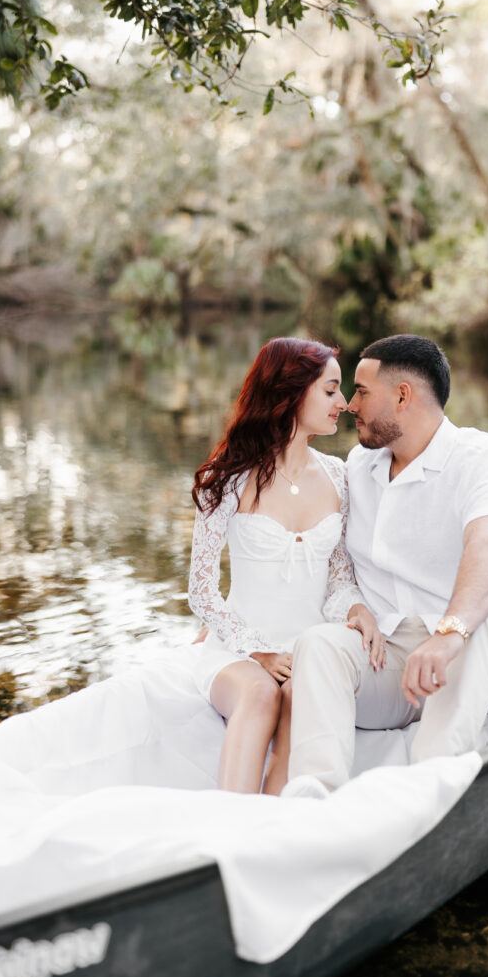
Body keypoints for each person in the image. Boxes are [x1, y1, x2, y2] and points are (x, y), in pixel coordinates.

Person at [284, 334, 488, 797]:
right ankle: (313, 798)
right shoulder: (359, 466)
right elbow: (328, 560)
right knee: (318, 644)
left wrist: (447, 636)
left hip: (469, 650)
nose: (349, 404)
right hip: (390, 656)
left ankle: (426, 795)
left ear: (402, 396)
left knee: (477, 630)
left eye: (361, 391)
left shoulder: (484, 460)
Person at [188, 336, 383, 796]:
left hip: (307, 650)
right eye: (331, 389)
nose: (344, 403)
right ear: (292, 392)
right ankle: (228, 821)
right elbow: (201, 591)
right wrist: (256, 650)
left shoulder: (338, 476)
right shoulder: (229, 477)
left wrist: (358, 611)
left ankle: (275, 827)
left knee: (299, 696)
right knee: (260, 693)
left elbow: (337, 580)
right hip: (239, 650)